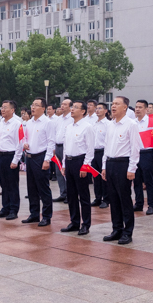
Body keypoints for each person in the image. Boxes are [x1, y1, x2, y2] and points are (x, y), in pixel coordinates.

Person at [101, 96, 140, 245]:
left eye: (117, 104)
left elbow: (135, 149)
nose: (113, 106)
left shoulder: (131, 124)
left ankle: (127, 232)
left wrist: (132, 168)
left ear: (125, 107)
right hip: (110, 164)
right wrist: (104, 166)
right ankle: (116, 229)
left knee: (124, 199)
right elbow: (106, 146)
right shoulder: (110, 125)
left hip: (123, 164)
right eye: (113, 104)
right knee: (113, 199)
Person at [60, 101, 95, 235]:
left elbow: (90, 149)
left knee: (83, 195)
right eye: (72, 107)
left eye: (75, 108)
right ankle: (74, 222)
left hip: (81, 161)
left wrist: (85, 166)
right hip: (69, 161)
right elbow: (65, 148)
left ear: (83, 111)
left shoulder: (87, 127)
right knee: (71, 194)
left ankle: (85, 224)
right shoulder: (69, 127)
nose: (72, 109)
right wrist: (64, 164)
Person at [22, 97, 55, 226]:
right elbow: (25, 136)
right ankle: (34, 214)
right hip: (29, 157)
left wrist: (47, 160)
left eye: (36, 105)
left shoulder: (47, 122)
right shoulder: (29, 122)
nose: (33, 107)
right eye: (32, 105)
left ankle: (46, 216)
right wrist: (24, 143)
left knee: (43, 188)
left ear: (43, 108)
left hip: (41, 157)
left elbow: (51, 142)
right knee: (31, 188)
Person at [0, 100, 23, 220]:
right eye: (2, 107)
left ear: (12, 110)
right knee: (3, 184)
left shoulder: (16, 123)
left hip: (11, 155)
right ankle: (5, 208)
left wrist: (15, 160)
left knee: (12, 184)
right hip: (1, 155)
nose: (2, 110)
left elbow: (20, 143)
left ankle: (14, 209)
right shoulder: (1, 123)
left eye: (5, 107)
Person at [133, 99, 153, 215]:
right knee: (136, 180)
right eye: (136, 107)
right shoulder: (133, 122)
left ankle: (151, 205)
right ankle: (139, 203)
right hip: (136, 154)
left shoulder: (152, 121)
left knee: (149, 181)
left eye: (140, 107)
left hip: (147, 153)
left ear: (146, 109)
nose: (138, 109)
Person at [91, 102, 112, 209]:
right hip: (93, 152)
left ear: (105, 111)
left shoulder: (108, 124)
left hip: (103, 152)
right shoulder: (93, 124)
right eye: (96, 109)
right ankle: (97, 197)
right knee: (95, 176)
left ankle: (106, 199)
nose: (97, 110)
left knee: (104, 176)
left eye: (100, 108)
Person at [53, 99, 73, 203]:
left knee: (66, 171)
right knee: (58, 171)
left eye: (65, 104)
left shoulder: (72, 119)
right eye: (62, 104)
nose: (62, 106)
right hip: (57, 147)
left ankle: (70, 194)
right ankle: (63, 193)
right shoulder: (58, 119)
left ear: (70, 107)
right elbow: (55, 133)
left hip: (66, 148)